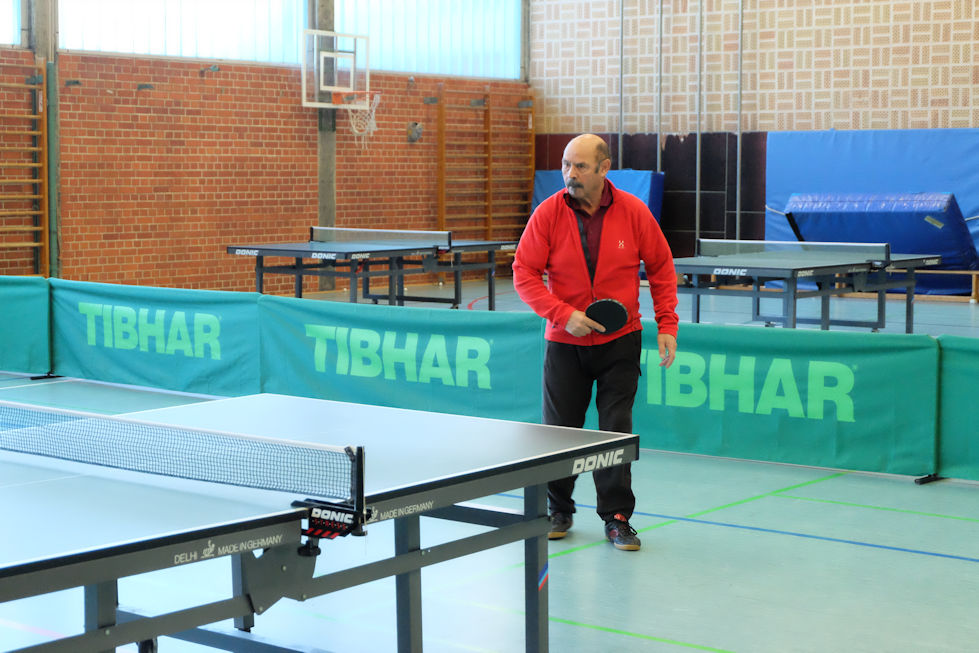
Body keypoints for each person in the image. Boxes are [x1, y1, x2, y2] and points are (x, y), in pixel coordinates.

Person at [512, 133, 678, 551]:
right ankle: (558, 509)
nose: (570, 174)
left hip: (620, 342)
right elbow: (524, 273)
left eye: (580, 166)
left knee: (615, 432)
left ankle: (617, 518)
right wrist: (562, 314)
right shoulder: (548, 213)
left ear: (604, 168)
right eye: (565, 165)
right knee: (559, 432)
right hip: (565, 343)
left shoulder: (634, 212)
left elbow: (661, 267)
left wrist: (667, 324)